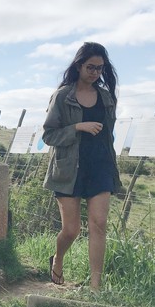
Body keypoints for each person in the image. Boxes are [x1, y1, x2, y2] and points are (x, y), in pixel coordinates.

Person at [42, 42, 122, 291]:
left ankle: (96, 287)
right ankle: (58, 258)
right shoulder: (63, 95)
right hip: (69, 170)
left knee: (99, 224)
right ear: (78, 65)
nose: (95, 72)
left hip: (100, 166)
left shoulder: (106, 97)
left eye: (100, 68)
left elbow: (109, 135)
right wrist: (77, 127)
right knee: (72, 229)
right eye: (91, 67)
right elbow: (48, 135)